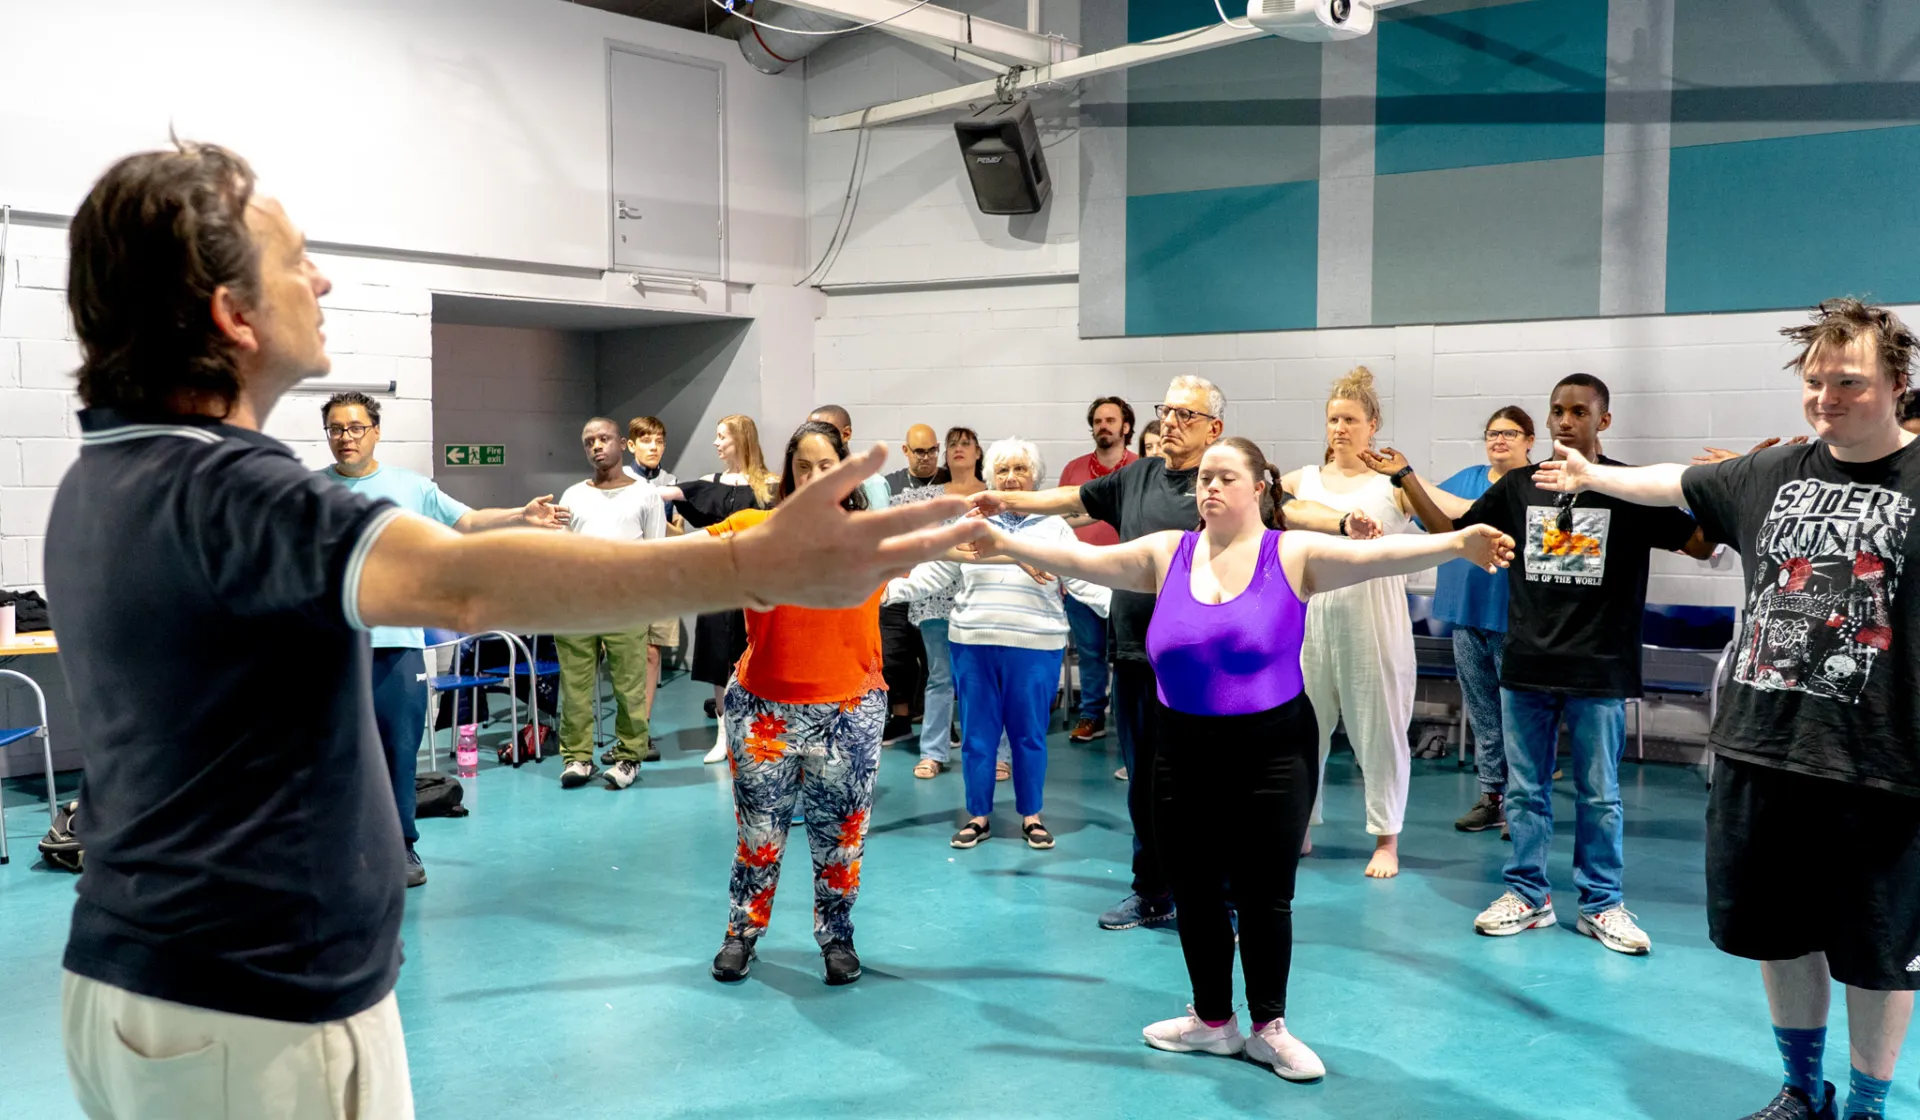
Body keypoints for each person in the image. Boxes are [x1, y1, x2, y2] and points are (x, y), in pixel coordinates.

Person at [47, 141, 982, 1119]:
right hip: (252, 1012)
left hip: (149, 976)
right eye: (295, 259)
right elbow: (465, 586)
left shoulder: (103, 477)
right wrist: (754, 564)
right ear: (233, 317)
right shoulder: (235, 492)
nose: (320, 277)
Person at [970, 436, 1513, 1081]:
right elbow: (1086, 561)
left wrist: (1455, 543)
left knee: (1265, 896)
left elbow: (1379, 555)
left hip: (1273, 753)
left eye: (1225, 476)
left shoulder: (1293, 554)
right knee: (1194, 892)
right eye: (1204, 478)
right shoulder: (1169, 552)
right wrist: (1004, 543)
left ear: (1261, 488)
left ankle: (1267, 1027)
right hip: (1180, 752)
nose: (1210, 488)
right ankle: (1212, 1021)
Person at [1536, 299, 1919, 1120]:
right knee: (1779, 934)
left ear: (1895, 381)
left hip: (1883, 766)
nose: (1826, 398)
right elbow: (1674, 479)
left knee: (1878, 952)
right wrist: (1590, 474)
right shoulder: (1771, 473)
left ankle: (1867, 1104)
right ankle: (1800, 1089)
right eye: (1815, 381)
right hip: (1759, 750)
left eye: (1848, 381)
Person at [970, 376, 1375, 931]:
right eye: (1168, 410)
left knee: (1220, 795)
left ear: (1215, 428)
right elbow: (1068, 500)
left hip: (1213, 674)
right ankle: (1153, 892)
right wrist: (1003, 500)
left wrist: (1345, 522)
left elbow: (1295, 510)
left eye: (1187, 414)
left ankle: (1226, 897)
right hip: (1139, 657)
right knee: (1147, 789)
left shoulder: (1227, 482)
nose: (1173, 422)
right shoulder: (1134, 476)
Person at [1420, 373, 1714, 956]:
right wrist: (1405, 478)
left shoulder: (1631, 487)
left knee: (1600, 793)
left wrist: (1722, 483)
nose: (1564, 421)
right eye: (1557, 410)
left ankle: (1602, 904)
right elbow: (1456, 534)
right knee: (1525, 791)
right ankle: (1528, 895)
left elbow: (1702, 544)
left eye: (1579, 411)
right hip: (1526, 663)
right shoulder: (1521, 487)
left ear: (1602, 421)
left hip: (1598, 668)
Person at [318, 391, 569, 886]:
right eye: (335, 429)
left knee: (398, 749)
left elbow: (468, 520)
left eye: (354, 427)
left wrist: (522, 515)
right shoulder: (308, 491)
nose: (345, 437)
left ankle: (401, 848)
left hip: (397, 646)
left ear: (375, 431)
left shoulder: (410, 487)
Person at [708, 421, 894, 989]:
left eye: (826, 466)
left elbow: (960, 547)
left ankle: (836, 936)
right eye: (803, 466)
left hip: (849, 712)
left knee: (840, 839)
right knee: (759, 835)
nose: (814, 477)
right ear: (787, 472)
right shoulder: (753, 529)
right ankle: (743, 932)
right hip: (765, 711)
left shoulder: (874, 536)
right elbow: (673, 554)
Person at [888, 439, 1110, 850]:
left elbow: (1081, 579)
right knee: (977, 736)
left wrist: (1128, 606)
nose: (1010, 477)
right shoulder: (971, 522)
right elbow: (932, 574)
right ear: (990, 478)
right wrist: (883, 591)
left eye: (1019, 470)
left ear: (1033, 478)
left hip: (1037, 645)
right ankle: (978, 817)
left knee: (1029, 737)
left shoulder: (1054, 526)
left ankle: (1032, 816)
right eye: (1002, 470)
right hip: (972, 642)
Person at [1360, 406, 1536, 837]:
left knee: (1520, 716)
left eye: (1510, 434)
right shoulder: (1467, 479)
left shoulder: (1539, 484)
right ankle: (1492, 797)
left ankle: (1524, 804)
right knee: (1484, 715)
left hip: (1517, 621)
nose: (1499, 440)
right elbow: (1433, 514)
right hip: (1467, 616)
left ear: (1530, 440)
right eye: (1493, 433)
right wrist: (1402, 475)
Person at [1283, 367, 1422, 879]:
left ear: (1373, 424)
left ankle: (1387, 838)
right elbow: (1266, 498)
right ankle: (1299, 824)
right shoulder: (1302, 480)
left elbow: (1444, 515)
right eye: (1333, 419)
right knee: (1302, 730)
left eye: (1350, 419)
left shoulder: (1393, 485)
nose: (1340, 428)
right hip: (1311, 622)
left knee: (1380, 731)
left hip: (1374, 620)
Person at [554, 418, 670, 789]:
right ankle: (577, 757)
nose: (596, 446)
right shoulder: (573, 494)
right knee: (574, 686)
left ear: (622, 443)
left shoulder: (645, 494)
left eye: (603, 439)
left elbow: (655, 552)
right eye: (589, 441)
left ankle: (629, 757)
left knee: (628, 686)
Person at [901, 427, 1008, 779]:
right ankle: (933, 752)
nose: (959, 449)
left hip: (984, 598)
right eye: (953, 445)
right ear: (945, 454)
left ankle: (998, 753)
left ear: (979, 453)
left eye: (966, 444)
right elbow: (895, 525)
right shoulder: (928, 496)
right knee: (940, 678)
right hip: (935, 600)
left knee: (989, 679)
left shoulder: (994, 495)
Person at [671, 415, 778, 764]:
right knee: (720, 659)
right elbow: (667, 492)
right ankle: (724, 736)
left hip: (755, 587)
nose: (716, 444)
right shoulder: (709, 483)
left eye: (722, 437)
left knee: (757, 656)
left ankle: (761, 733)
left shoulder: (771, 485)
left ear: (742, 440)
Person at [1057, 397, 1137, 743]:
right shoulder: (1074, 470)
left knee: (1127, 654)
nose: (1103, 426)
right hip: (1081, 578)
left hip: (1128, 580)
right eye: (1098, 420)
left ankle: (1126, 718)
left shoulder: (1140, 467)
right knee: (1089, 652)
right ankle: (1092, 715)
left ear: (1126, 427)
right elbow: (1060, 518)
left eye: (1111, 420)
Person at [879, 423, 942, 745]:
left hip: (937, 586)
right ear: (906, 451)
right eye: (920, 451)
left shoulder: (950, 483)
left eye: (933, 450)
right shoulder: (889, 486)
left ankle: (940, 723)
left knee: (935, 660)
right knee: (893, 656)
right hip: (898, 581)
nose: (927, 457)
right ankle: (901, 719)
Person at [621, 415, 680, 738]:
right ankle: (623, 723)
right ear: (631, 445)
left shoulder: (671, 483)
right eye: (646, 441)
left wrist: (659, 507)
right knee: (620, 653)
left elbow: (678, 532)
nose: (653, 447)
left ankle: (640, 727)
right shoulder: (621, 480)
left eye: (659, 441)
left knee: (651, 652)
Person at [811, 404, 890, 512]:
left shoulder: (872, 483)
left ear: (846, 434)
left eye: (822, 432)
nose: (811, 439)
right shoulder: (809, 480)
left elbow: (879, 527)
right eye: (808, 432)